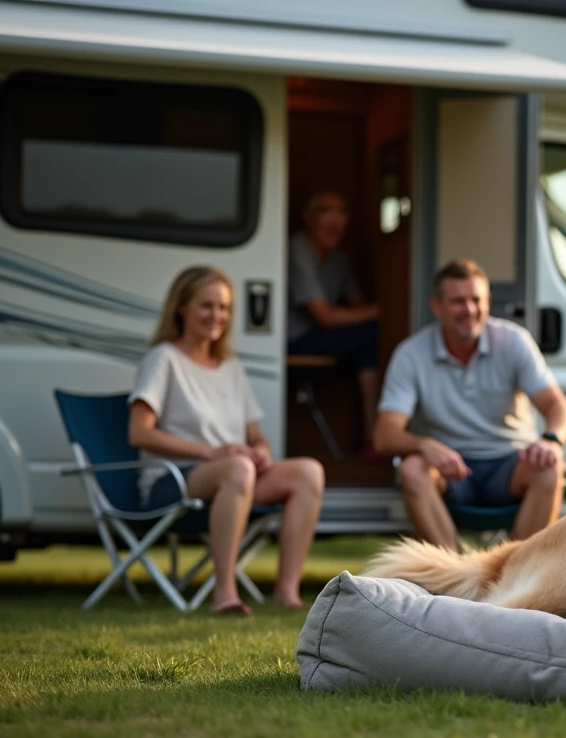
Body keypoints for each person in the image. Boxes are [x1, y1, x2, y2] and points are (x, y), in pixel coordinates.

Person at [129, 265, 324, 614]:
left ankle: (286, 591)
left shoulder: (230, 368)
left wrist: (261, 451)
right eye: (206, 305)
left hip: (235, 479)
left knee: (309, 471)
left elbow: (255, 435)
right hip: (174, 480)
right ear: (181, 307)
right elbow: (139, 432)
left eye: (223, 308)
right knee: (237, 468)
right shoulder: (163, 359)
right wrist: (212, 452)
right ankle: (225, 592)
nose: (216, 315)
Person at [374, 259, 566, 550]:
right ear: (436, 306)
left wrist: (551, 440)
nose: (469, 310)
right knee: (412, 469)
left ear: (488, 302)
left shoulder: (514, 341)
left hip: (510, 465)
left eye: (476, 300)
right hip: (451, 470)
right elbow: (384, 435)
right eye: (457, 301)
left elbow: (559, 407)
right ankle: (453, 579)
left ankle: (518, 578)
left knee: (550, 466)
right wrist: (424, 445)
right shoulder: (411, 354)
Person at [286, 190, 382, 458]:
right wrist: (381, 312)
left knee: (375, 337)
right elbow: (324, 316)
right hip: (294, 341)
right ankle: (372, 438)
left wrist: (380, 312)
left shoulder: (339, 258)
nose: (334, 220)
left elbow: (357, 304)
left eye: (341, 212)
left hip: (321, 338)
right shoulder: (298, 250)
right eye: (324, 211)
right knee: (368, 338)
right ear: (307, 218)